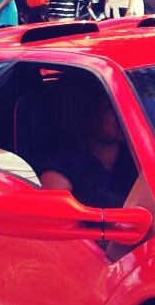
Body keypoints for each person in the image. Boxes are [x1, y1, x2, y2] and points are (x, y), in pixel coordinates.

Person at [40, 75, 138, 208]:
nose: (121, 114)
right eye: (110, 107)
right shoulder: (62, 172)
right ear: (86, 113)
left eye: (124, 106)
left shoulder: (140, 158)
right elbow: (54, 221)